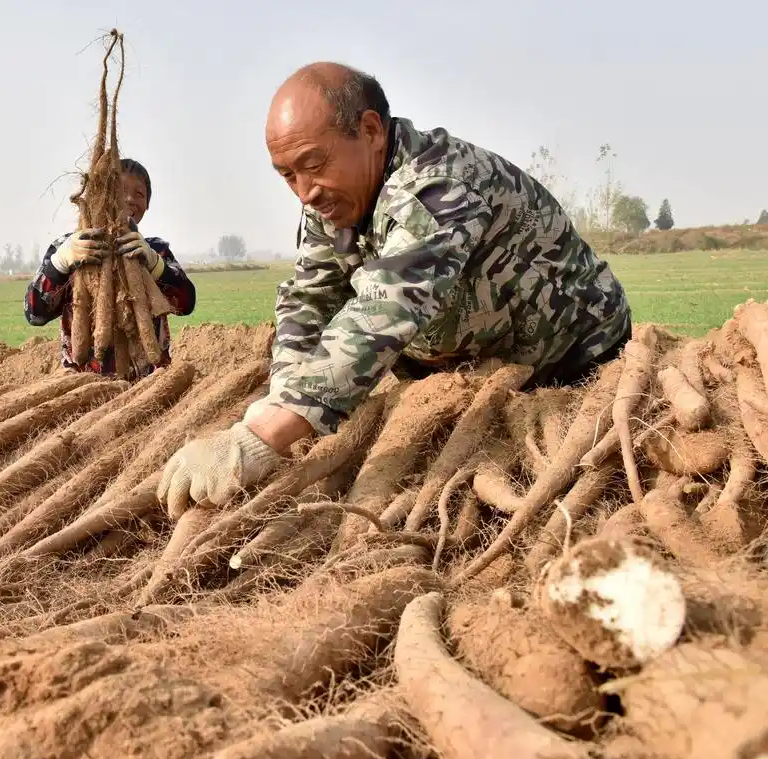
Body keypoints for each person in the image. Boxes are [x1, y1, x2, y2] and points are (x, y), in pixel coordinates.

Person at [157, 62, 632, 519]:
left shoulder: (440, 185)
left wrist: (259, 436)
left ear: (370, 130)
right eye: (287, 175)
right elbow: (310, 298)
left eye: (313, 164)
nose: (304, 192)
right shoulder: (334, 199)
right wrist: (284, 397)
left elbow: (384, 308)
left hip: (574, 363)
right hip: (471, 368)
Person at [24, 158, 196, 379]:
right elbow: (34, 313)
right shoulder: (71, 247)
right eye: (120, 190)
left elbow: (186, 303)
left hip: (149, 386)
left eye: (139, 194)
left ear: (148, 205)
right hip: (82, 386)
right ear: (100, 194)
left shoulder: (154, 250)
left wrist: (155, 265)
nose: (129, 199)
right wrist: (60, 263)